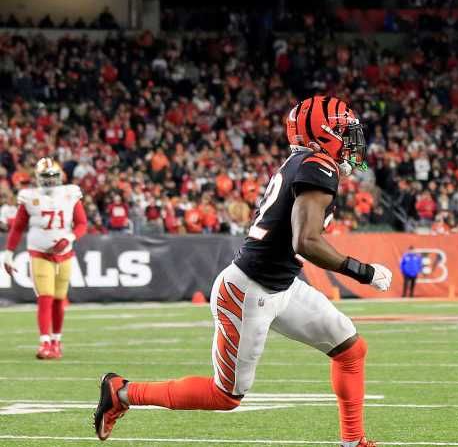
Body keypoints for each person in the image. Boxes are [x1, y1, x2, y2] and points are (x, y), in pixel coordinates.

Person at [93, 96, 393, 447]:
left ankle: (353, 442)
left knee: (350, 350)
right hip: (249, 291)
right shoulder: (318, 165)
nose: (351, 140)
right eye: (344, 131)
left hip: (280, 286)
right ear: (322, 133)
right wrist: (362, 271)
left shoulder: (305, 163)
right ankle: (123, 392)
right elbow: (306, 241)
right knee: (226, 395)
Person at [2, 157, 88, 360]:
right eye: (45, 177)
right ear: (38, 178)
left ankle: (56, 341)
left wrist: (69, 237)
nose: (49, 181)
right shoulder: (29, 197)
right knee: (45, 297)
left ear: (59, 177)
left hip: (64, 253)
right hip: (39, 251)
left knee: (59, 299)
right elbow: (18, 227)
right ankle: (45, 342)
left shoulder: (70, 193)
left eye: (52, 176)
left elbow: (82, 224)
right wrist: (8, 253)